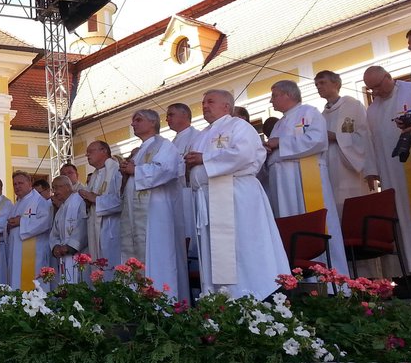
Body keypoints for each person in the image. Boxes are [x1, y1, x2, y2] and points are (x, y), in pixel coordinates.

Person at [184, 90, 290, 300]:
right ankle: (222, 299)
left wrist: (205, 159)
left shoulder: (238, 126)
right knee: (216, 252)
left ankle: (252, 295)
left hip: (236, 196)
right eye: (203, 102)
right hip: (209, 198)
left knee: (243, 247)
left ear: (226, 106)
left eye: (210, 101)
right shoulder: (202, 134)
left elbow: (245, 155)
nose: (205, 106)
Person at [264, 79, 350, 276]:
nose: (271, 101)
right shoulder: (278, 124)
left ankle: (329, 280)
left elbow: (317, 140)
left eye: (274, 95)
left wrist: (279, 143)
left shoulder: (309, 112)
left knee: (315, 226)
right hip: (282, 184)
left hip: (304, 179)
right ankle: (299, 281)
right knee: (290, 226)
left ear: (288, 95)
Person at [119, 108, 187, 298]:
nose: (133, 124)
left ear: (152, 123)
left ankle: (162, 302)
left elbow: (166, 170)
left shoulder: (164, 145)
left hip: (155, 214)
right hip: (137, 214)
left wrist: (135, 170)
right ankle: (139, 302)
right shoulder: (139, 151)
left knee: (157, 256)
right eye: (133, 121)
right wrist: (128, 171)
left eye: (138, 120)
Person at [363, 66, 411, 274]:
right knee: (402, 218)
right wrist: (371, 169)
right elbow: (369, 142)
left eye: (377, 87)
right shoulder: (373, 110)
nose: (375, 93)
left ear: (388, 77)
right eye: (370, 90)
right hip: (390, 171)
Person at [314, 70, 376, 215]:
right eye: (316, 84)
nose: (318, 87)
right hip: (331, 172)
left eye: (322, 83)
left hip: (352, 170)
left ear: (336, 83)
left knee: (357, 213)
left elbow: (365, 136)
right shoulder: (322, 116)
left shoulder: (353, 105)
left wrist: (370, 170)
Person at [3, 171, 52, 290]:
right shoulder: (17, 203)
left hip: (33, 253)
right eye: (14, 184)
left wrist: (22, 222)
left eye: (20, 183)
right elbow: (9, 224)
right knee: (16, 282)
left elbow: (46, 222)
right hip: (15, 252)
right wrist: (8, 227)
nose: (17, 186)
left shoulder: (39, 201)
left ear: (30, 183)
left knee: (33, 285)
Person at [80, 142, 122, 276]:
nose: (87, 155)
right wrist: (87, 201)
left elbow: (121, 200)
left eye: (90, 151)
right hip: (95, 228)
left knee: (111, 267)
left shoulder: (116, 171)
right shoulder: (95, 175)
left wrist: (96, 199)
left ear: (104, 151)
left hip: (111, 229)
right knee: (97, 267)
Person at [167, 103, 201, 258]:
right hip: (174, 194)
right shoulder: (172, 142)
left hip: (188, 193)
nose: (167, 118)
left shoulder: (196, 136)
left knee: (190, 232)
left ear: (185, 115)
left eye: (171, 114)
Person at [49, 175, 88, 284]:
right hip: (63, 256)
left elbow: (83, 225)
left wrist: (70, 246)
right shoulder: (61, 208)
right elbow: (55, 232)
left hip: (78, 253)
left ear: (67, 187)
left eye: (57, 187)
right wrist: (55, 246)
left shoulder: (79, 201)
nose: (55, 192)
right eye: (53, 188)